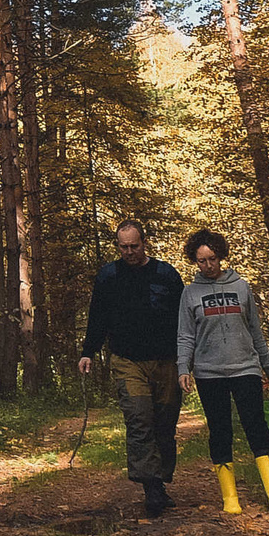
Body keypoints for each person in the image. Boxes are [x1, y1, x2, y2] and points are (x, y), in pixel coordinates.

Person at [176, 228, 269, 513]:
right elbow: (186, 335)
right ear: (195, 261)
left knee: (255, 424)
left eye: (212, 258)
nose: (208, 265)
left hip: (245, 368)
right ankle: (230, 498)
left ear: (221, 256)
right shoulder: (190, 294)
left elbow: (255, 331)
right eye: (201, 260)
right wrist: (183, 368)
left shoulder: (241, 288)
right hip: (208, 372)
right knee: (220, 430)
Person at [79, 219, 185, 516]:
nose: (129, 252)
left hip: (166, 360)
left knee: (165, 422)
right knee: (140, 418)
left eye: (134, 246)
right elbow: (97, 316)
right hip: (127, 360)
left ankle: (160, 480)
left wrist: (189, 358)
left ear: (144, 243)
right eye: (123, 247)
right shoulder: (108, 276)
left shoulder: (166, 275)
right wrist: (88, 351)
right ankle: (150, 487)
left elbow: (185, 320)